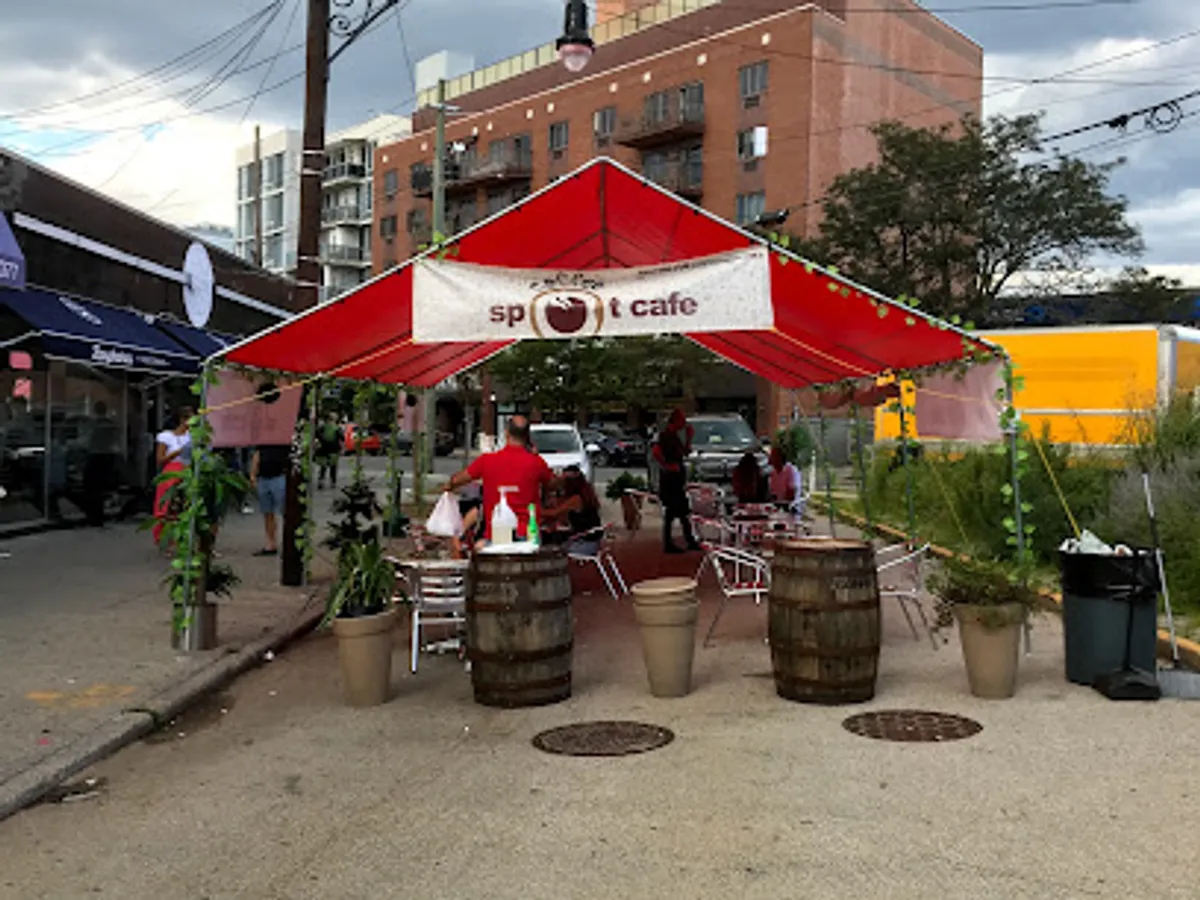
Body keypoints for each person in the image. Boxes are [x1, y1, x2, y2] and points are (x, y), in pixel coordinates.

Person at [444, 415, 554, 542]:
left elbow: (458, 479)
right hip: (528, 535)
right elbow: (554, 483)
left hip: (495, 535)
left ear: (506, 433)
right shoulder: (536, 462)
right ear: (527, 436)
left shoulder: (487, 461)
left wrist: (449, 485)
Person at [653, 408, 700, 554]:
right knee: (673, 511)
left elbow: (685, 452)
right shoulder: (665, 436)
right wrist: (666, 465)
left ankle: (688, 539)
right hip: (670, 479)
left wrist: (689, 438)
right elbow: (656, 451)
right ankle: (672, 542)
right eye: (682, 420)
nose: (684, 423)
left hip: (677, 478)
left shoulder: (676, 437)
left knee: (681, 512)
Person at [152, 406, 193, 548]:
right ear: (182, 420)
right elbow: (160, 459)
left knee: (184, 507)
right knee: (167, 507)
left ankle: (182, 540)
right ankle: (164, 539)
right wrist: (177, 452)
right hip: (171, 473)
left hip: (187, 472)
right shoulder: (167, 437)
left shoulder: (192, 437)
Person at [544, 464, 603, 556]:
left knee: (551, 549)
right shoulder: (587, 495)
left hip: (584, 543)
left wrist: (532, 509)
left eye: (563, 482)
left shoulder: (576, 499)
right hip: (592, 541)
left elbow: (554, 513)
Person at [250, 444, 291, 556]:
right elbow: (257, 454)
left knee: (285, 511)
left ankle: (287, 543)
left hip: (279, 475)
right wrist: (253, 474)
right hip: (264, 477)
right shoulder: (264, 441)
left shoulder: (282, 441)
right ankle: (270, 543)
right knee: (267, 513)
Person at [768, 447, 804, 515]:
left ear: (780, 457)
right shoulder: (773, 472)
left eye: (773, 457)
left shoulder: (791, 470)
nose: (770, 459)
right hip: (778, 508)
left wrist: (778, 502)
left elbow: (791, 495)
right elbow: (772, 493)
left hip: (791, 508)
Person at [315, 413, 343, 490]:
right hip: (334, 449)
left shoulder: (322, 427)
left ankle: (321, 481)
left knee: (323, 466)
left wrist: (321, 441)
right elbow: (341, 437)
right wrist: (341, 448)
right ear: (333, 419)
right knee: (333, 466)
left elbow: (317, 434)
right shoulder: (336, 427)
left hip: (323, 448)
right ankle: (333, 482)